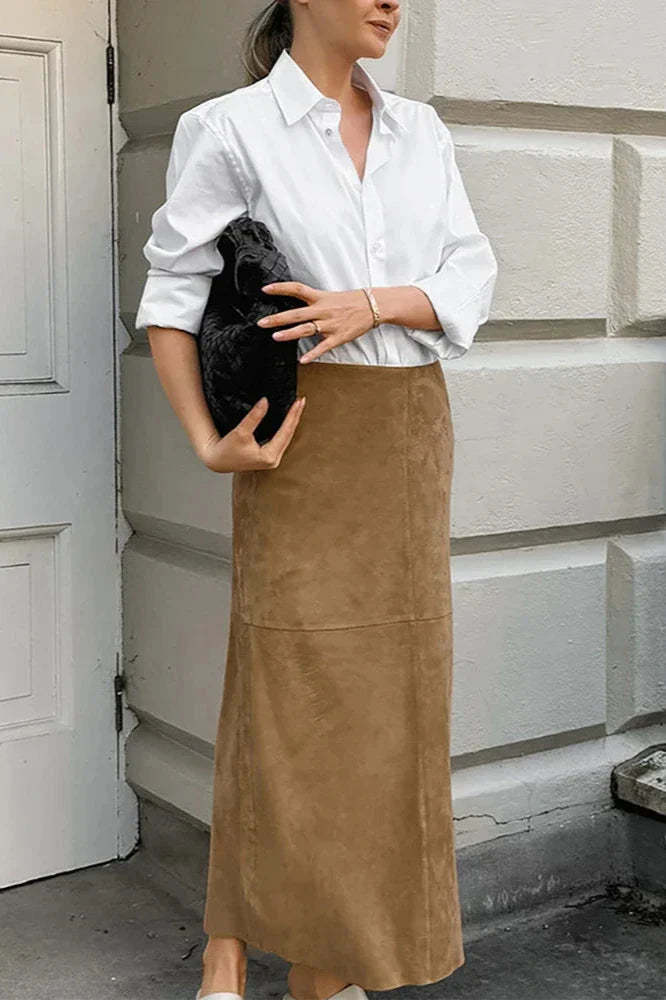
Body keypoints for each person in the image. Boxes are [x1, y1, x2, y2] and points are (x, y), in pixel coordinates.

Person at [134, 2, 498, 999]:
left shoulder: (421, 130)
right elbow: (172, 295)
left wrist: (370, 303)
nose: (392, 1)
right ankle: (232, 945)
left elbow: (470, 273)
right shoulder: (231, 129)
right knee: (284, 687)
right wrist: (207, 442)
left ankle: (324, 965)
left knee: (392, 707)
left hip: (411, 432)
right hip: (303, 438)